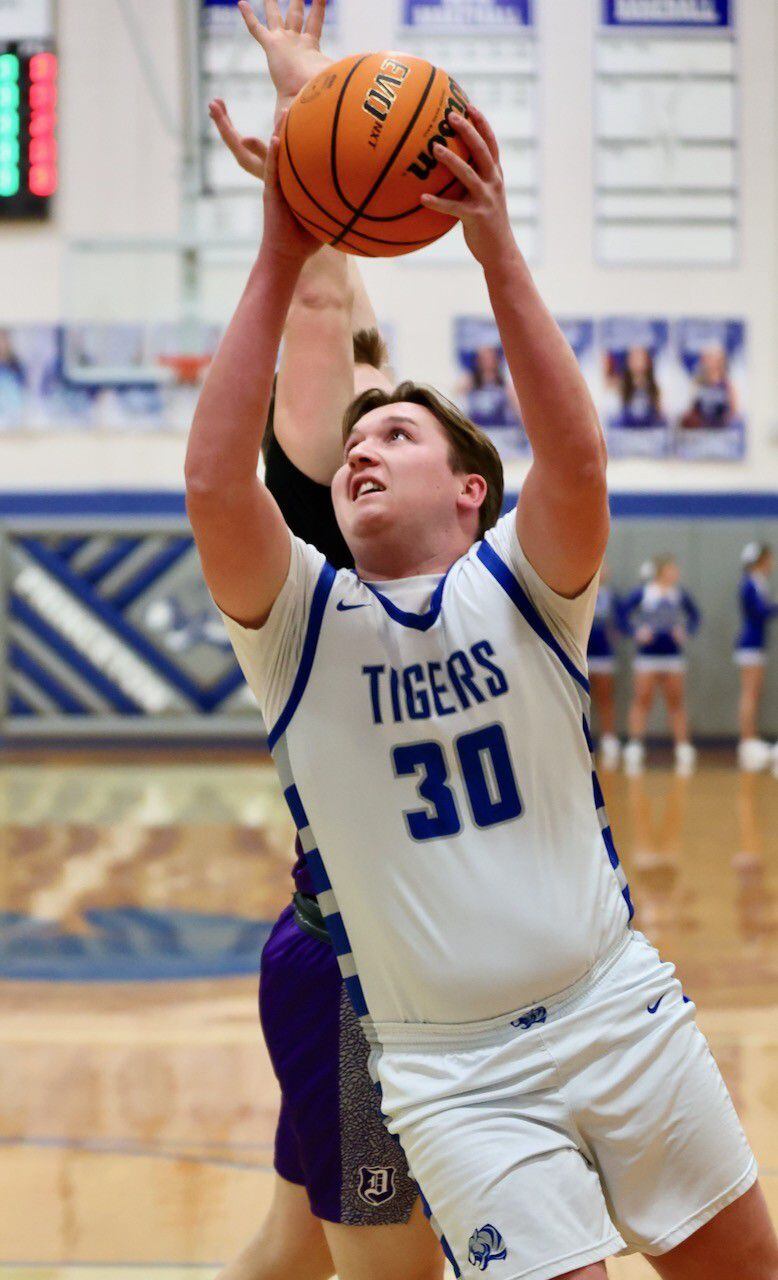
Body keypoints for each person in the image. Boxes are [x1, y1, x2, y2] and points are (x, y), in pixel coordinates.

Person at [186, 61, 778, 1280]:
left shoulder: (522, 584)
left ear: (469, 489)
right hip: (446, 1059)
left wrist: (493, 244)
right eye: (350, 438)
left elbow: (577, 457)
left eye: (393, 431)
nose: (359, 447)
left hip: (615, 1007)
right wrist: (280, 244)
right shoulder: (301, 620)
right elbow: (215, 480)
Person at [206, 8, 444, 1280]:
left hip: (435, 962)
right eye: (354, 413)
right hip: (367, 971)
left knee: (288, 1251)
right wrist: (315, 157)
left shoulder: (474, 551)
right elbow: (322, 323)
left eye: (393, 416)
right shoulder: (323, 520)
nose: (365, 427)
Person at [621, 557, 700, 777]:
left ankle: (683, 747)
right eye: (671, 569)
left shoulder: (679, 594)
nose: (675, 572)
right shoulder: (644, 592)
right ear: (660, 571)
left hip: (673, 657)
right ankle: (635, 746)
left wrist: (686, 631)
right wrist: (636, 632)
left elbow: (695, 616)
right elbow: (622, 614)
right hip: (647, 657)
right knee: (642, 699)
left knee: (676, 701)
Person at [735, 541, 777, 773]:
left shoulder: (758, 582)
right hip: (750, 643)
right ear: (760, 560)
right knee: (750, 691)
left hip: (757, 643)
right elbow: (758, 612)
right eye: (770, 559)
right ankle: (747, 740)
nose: (772, 564)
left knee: (754, 691)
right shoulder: (749, 583)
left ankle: (750, 739)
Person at [586, 562, 621, 770]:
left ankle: (609, 739)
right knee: (577, 700)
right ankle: (580, 740)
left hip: (604, 654)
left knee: (605, 698)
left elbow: (623, 620)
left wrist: (618, 631)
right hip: (580, 654)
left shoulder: (611, 595)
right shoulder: (578, 592)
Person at [680, 343, 738, 432]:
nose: (708, 362)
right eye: (706, 358)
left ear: (720, 361)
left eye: (711, 358)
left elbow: (733, 411)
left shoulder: (727, 385)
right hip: (702, 430)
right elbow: (693, 408)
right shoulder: (697, 383)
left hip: (721, 429)